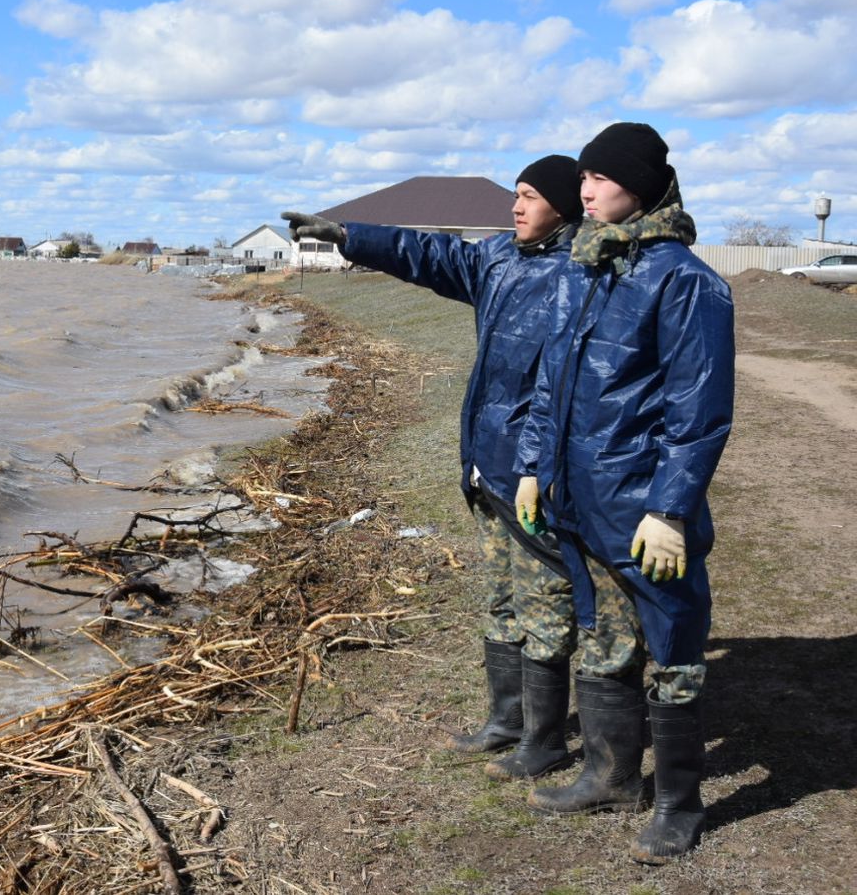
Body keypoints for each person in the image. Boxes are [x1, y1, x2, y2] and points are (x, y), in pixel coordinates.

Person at [283, 154, 583, 781]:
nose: (516, 205)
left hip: (533, 468)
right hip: (484, 461)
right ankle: (507, 720)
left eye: (530, 195)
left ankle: (547, 739)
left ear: (563, 205)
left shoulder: (580, 273)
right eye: (517, 194)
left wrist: (539, 466)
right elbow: (430, 253)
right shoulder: (498, 258)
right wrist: (348, 236)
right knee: (500, 596)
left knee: (545, 602)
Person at [513, 122, 733, 864]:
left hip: (645, 509)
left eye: (598, 178)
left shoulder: (684, 279)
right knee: (603, 640)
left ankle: (679, 803)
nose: (585, 190)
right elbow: (551, 383)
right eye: (581, 179)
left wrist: (671, 509)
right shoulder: (588, 267)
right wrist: (535, 466)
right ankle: (608, 776)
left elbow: (697, 410)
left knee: (672, 648)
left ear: (637, 186)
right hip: (581, 502)